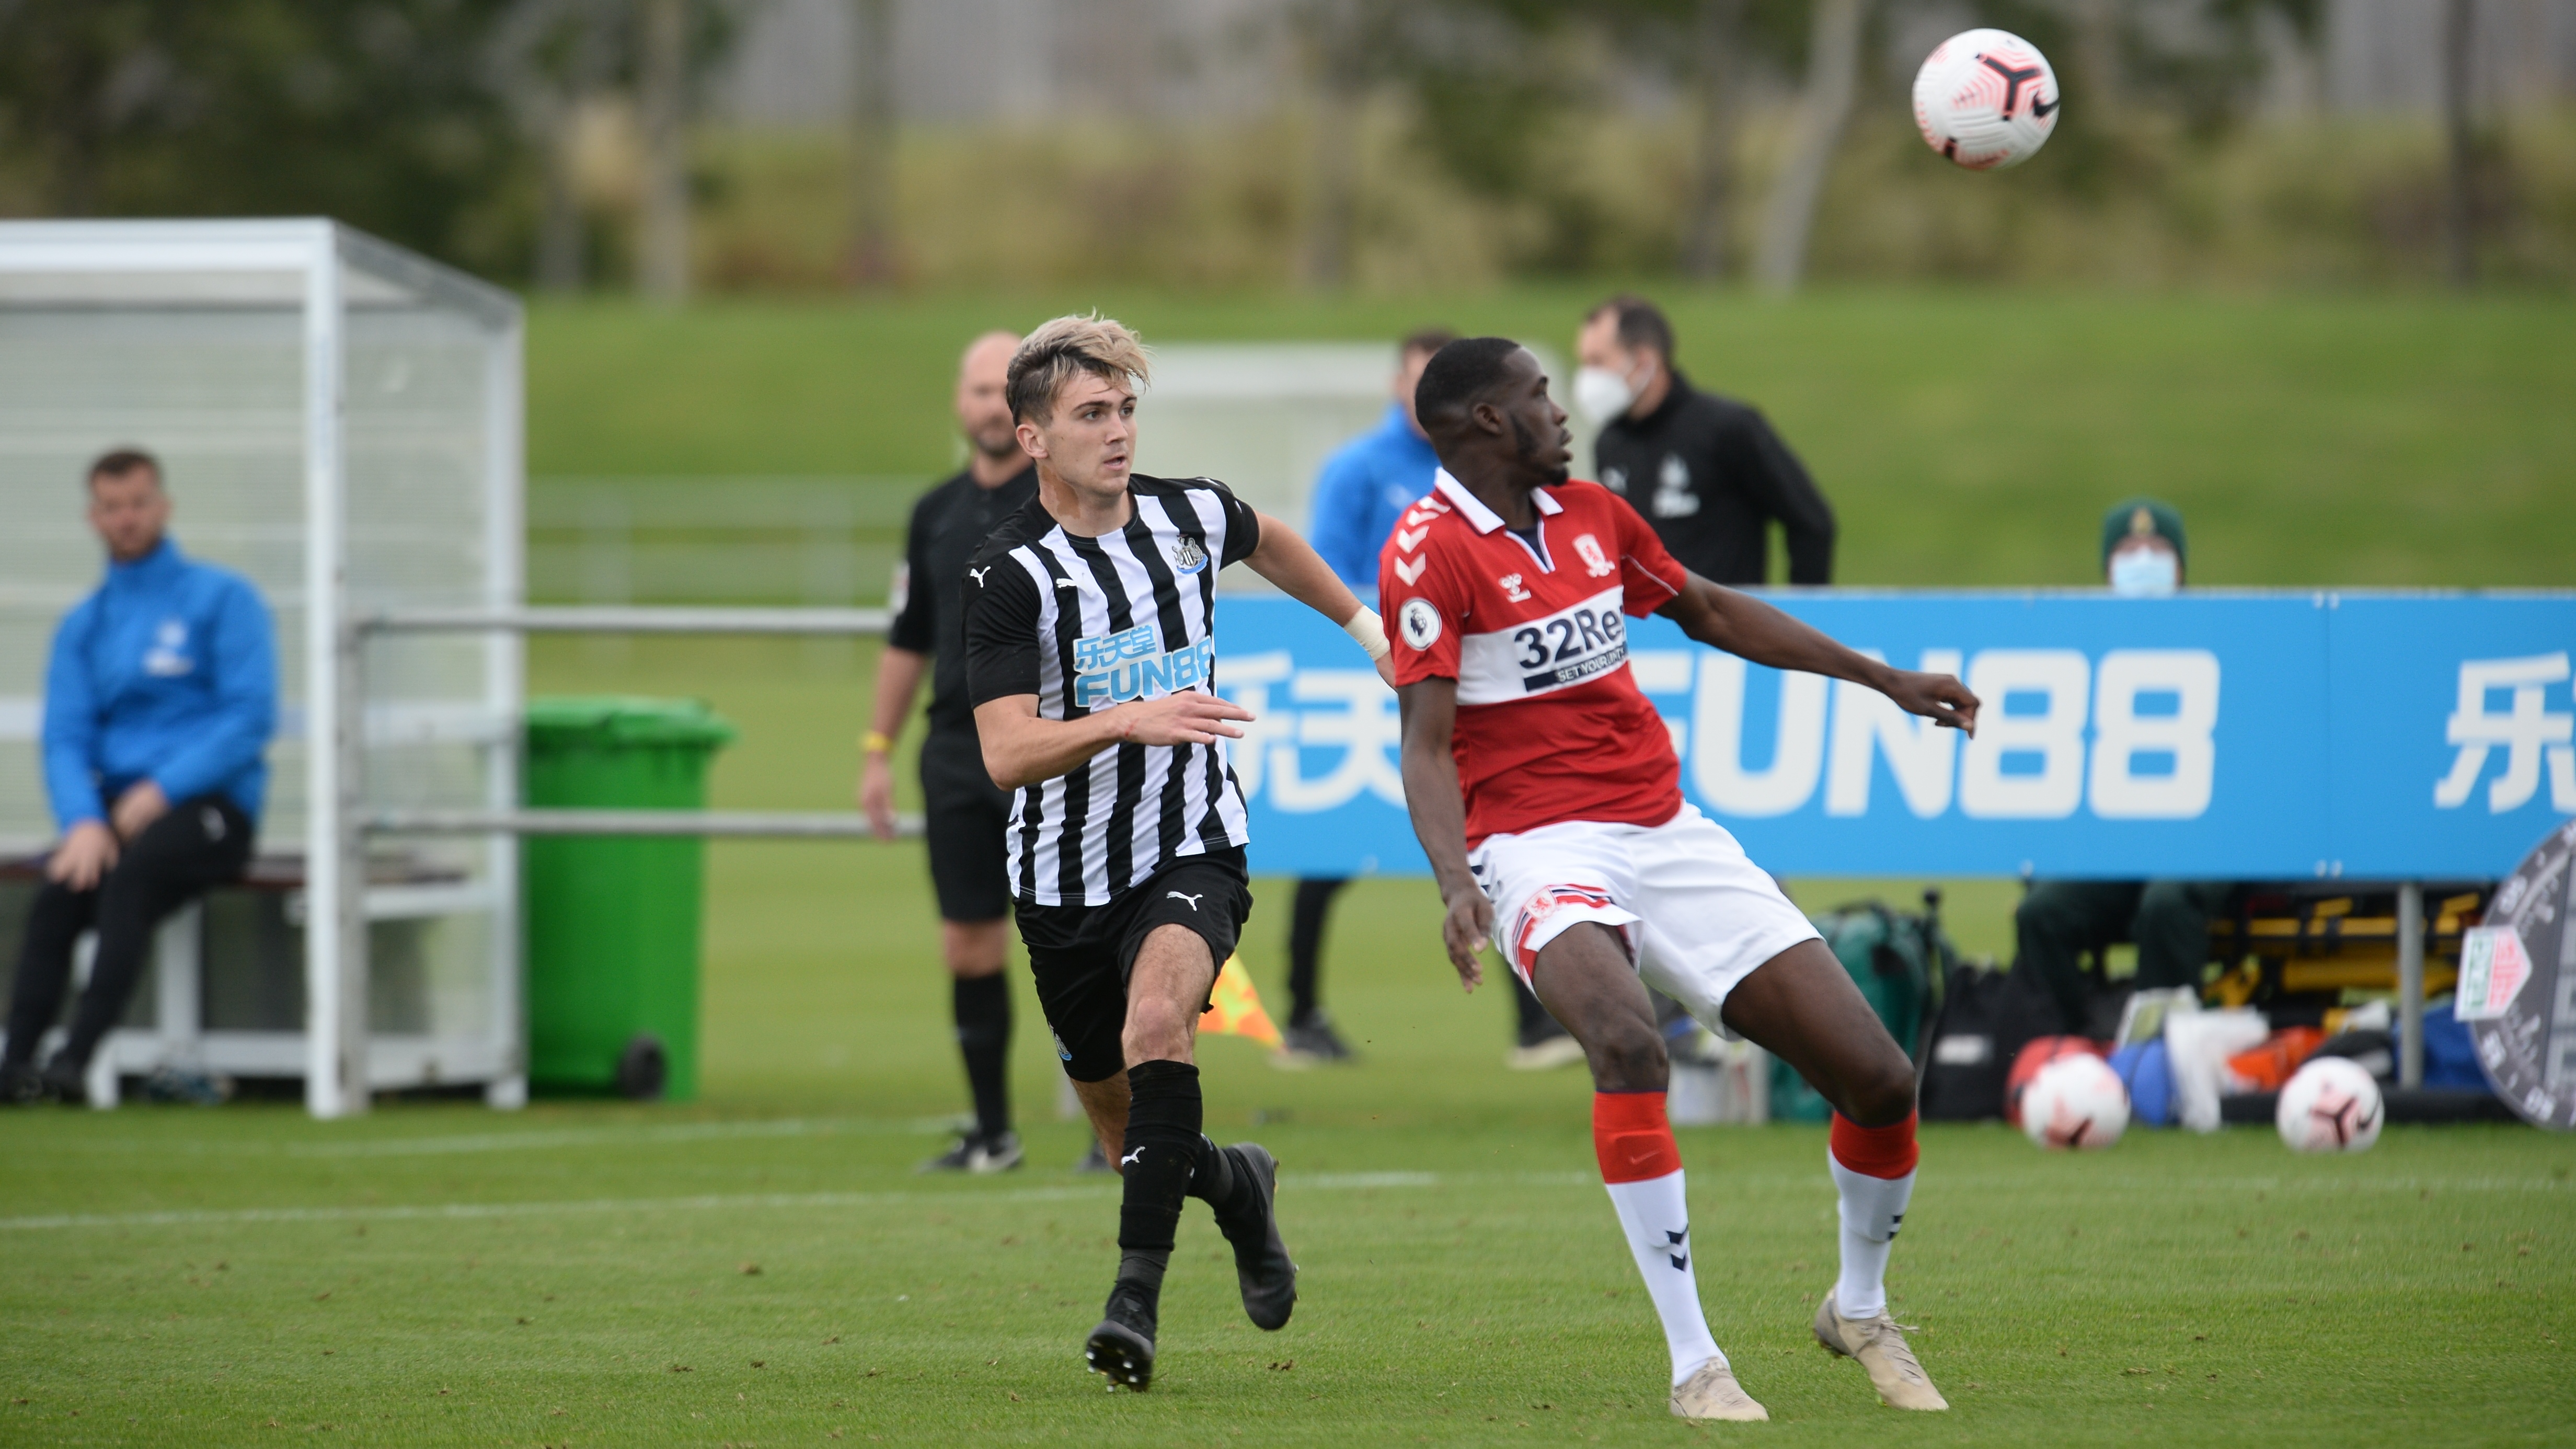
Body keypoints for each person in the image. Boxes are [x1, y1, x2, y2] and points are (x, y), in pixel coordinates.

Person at [1386, 339, 1978, 1420]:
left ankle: (1857, 1305)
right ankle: (1694, 1363)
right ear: (1482, 420)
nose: (1563, 412)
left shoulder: (1593, 517)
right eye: (1539, 397)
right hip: (1535, 849)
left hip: (1665, 830)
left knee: (1882, 1079)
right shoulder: (1427, 553)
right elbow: (1424, 748)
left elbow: (1707, 608)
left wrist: (1882, 679)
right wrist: (1454, 881)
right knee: (1626, 1042)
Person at [961, 314, 1396, 1391]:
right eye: (1090, 415)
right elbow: (1007, 753)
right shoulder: (1010, 573)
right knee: (1131, 1137)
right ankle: (1238, 1188)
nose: (1117, 433)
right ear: (1033, 439)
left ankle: (1132, 1308)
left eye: (1125, 411)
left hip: (1190, 846)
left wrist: (1371, 634)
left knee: (1162, 1023)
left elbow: (1278, 542)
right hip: (1060, 878)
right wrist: (1127, 717)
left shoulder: (1190, 512)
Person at [3, 450, 276, 1105]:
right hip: (115, 809)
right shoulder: (85, 624)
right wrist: (83, 821)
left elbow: (248, 718)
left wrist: (164, 789)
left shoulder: (223, 598)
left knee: (132, 877)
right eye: (112, 508)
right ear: (93, 518)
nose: (127, 520)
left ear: (164, 507)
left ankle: (75, 1062)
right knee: (61, 890)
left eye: (139, 504)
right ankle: (15, 1067)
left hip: (212, 807)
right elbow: (66, 736)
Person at [861, 331, 1042, 1173]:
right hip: (955, 755)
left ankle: (1113, 1134)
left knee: (1084, 937)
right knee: (969, 944)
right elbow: (907, 639)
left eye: (1005, 391)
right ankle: (993, 1131)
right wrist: (876, 750)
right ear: (959, 404)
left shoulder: (1064, 504)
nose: (989, 407)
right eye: (976, 390)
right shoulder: (933, 512)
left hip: (1051, 747)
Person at [1277, 325, 1453, 1067]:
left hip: (1456, 685)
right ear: (1395, 384)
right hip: (1373, 681)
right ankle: (1302, 1014)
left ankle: (1538, 1022)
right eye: (1417, 381)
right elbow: (1327, 572)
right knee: (1332, 849)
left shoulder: (1478, 469)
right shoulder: (1357, 467)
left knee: (1486, 838)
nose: (1425, 399)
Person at [2012, 498, 2232, 1034]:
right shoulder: (2087, 650)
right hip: (2114, 844)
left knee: (2164, 905)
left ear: (2181, 566)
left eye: (2156, 549)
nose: (2142, 560)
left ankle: (2159, 1057)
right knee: (2040, 913)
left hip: (2203, 842)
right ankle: (2076, 1048)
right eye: (2127, 550)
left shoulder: (2225, 637)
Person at [1576, 294, 1835, 586]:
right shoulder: (1609, 443)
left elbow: (1811, 522)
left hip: (1722, 628)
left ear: (1643, 360)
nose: (1588, 377)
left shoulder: (1727, 427)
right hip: (1646, 628)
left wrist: (1803, 614)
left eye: (1598, 361)